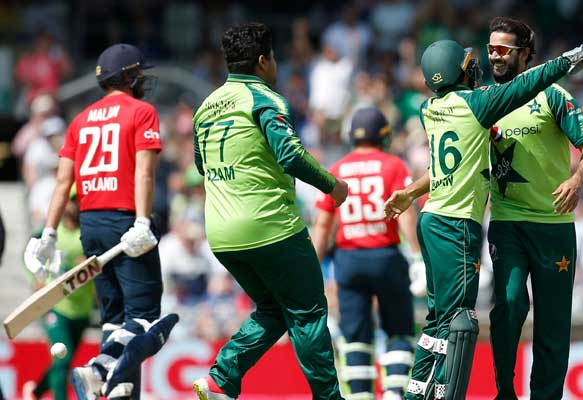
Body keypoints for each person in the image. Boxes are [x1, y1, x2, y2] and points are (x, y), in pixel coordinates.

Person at [384, 37, 583, 400]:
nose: (478, 65)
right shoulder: (479, 104)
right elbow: (529, 83)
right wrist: (578, 56)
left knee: (438, 319)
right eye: (469, 64)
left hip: (432, 217)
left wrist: (410, 192)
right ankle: (440, 396)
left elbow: (455, 162)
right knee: (458, 322)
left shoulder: (429, 108)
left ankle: (418, 393)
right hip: (457, 225)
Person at [190, 22, 348, 400]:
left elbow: (201, 164)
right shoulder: (265, 99)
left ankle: (220, 379)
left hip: (222, 235)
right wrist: (333, 186)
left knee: (274, 309)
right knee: (308, 313)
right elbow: (289, 154)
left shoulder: (204, 107)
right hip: (269, 226)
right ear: (263, 61)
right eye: (274, 57)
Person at [23, 43, 178, 400]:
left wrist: (47, 233)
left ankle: (118, 388)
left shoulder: (80, 119)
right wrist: (142, 220)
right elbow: (144, 173)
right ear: (129, 76)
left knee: (113, 317)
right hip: (125, 220)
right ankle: (99, 369)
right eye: (138, 72)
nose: (143, 80)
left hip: (90, 225)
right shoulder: (141, 112)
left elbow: (64, 182)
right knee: (145, 316)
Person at [485, 17, 583, 400]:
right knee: (509, 305)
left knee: (552, 326)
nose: (494, 56)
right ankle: (505, 391)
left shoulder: (553, 95)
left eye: (503, 49)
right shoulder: (484, 99)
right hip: (507, 223)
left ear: (525, 55)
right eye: (491, 49)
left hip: (554, 227)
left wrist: (576, 180)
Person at [311, 107, 424, 400]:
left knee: (354, 337)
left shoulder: (336, 169)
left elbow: (324, 225)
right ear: (383, 135)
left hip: (348, 261)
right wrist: (416, 255)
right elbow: (406, 215)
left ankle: (361, 396)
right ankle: (393, 393)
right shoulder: (394, 165)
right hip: (386, 257)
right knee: (399, 331)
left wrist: (311, 269)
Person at [24, 194, 94, 400]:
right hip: (54, 307)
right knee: (62, 359)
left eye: (77, 200)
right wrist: (36, 277)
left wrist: (88, 264)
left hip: (81, 309)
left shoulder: (88, 236)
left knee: (65, 360)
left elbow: (100, 269)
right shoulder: (51, 235)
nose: (73, 205)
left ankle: (35, 392)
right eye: (71, 200)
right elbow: (28, 255)